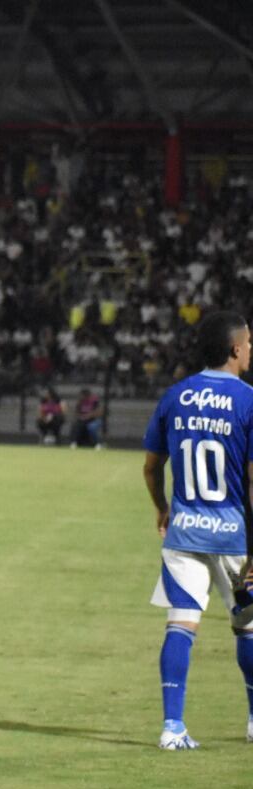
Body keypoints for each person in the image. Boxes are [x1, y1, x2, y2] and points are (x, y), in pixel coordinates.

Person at [139, 310, 253, 750]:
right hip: (235, 541)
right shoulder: (247, 400)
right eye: (249, 342)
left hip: (184, 534)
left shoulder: (175, 396)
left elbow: (151, 467)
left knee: (180, 626)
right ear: (235, 349)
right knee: (247, 627)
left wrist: (162, 508)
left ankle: (172, 728)